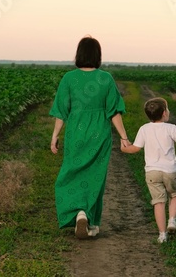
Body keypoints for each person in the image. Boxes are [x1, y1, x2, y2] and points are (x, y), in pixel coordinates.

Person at [50, 36, 130, 239]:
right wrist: (123, 137)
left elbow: (61, 111)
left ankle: (79, 213)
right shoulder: (106, 78)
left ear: (79, 54)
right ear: (97, 55)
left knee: (71, 173)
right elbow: (114, 111)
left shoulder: (68, 79)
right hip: (99, 134)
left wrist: (55, 136)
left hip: (75, 132)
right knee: (96, 177)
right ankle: (89, 219)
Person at [120, 97, 176, 243]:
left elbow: (135, 148)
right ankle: (172, 221)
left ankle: (162, 235)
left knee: (158, 202)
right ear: (165, 113)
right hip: (170, 170)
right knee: (174, 195)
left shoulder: (144, 129)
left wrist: (124, 148)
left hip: (152, 172)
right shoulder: (171, 128)